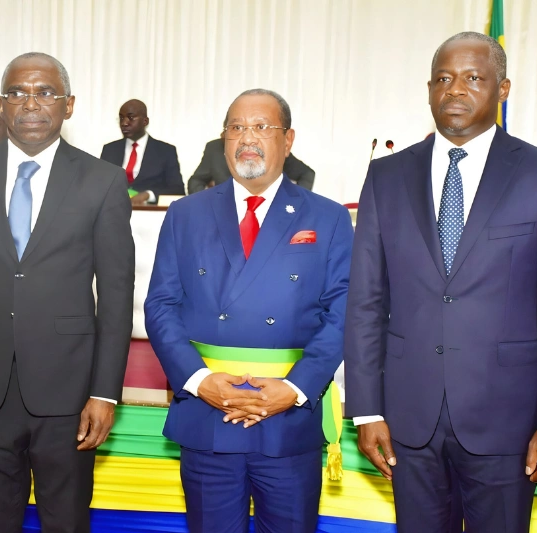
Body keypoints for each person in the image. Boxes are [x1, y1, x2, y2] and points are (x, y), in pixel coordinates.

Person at [344, 31, 537, 533]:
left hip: (508, 420)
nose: (455, 90)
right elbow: (366, 302)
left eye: (472, 78)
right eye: (443, 78)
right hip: (406, 419)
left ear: (503, 90)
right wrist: (366, 409)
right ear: (428, 89)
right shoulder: (387, 177)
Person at [0, 52, 135, 532]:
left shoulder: (103, 181)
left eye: (45, 92)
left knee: (65, 522)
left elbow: (116, 292)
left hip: (70, 394)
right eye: (18, 92)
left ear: (69, 105)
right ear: (2, 104)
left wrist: (105, 393)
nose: (31, 103)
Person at [145, 89, 352, 533]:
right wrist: (201, 382)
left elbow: (345, 312)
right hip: (207, 416)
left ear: (288, 139)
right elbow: (160, 306)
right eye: (236, 128)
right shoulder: (186, 214)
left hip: (287, 420)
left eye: (262, 127)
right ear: (224, 140)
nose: (248, 138)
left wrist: (296, 388)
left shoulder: (328, 217)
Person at [100, 99, 185, 205]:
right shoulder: (110, 149)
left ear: (145, 121)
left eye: (131, 118)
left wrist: (148, 195)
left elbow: (177, 189)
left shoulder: (165, 151)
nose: (124, 123)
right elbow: (99, 185)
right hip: (113, 210)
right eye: (121, 118)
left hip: (148, 213)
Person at [187, 135, 315, 193]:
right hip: (225, 212)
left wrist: (295, 199)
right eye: (236, 129)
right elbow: (196, 181)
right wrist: (206, 201)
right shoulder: (214, 148)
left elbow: (306, 174)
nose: (245, 139)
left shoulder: (268, 147)